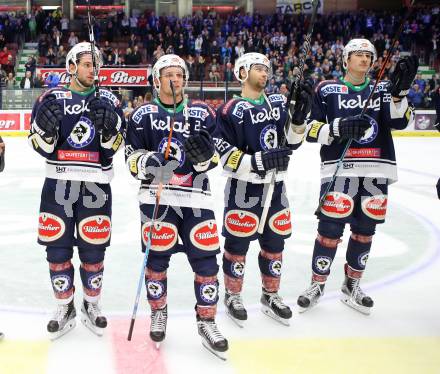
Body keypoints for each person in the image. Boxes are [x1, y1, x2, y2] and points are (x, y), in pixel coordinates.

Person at [298, 39, 417, 315]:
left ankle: (352, 284)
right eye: (358, 54)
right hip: (339, 170)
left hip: (376, 170)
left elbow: (400, 122)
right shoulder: (327, 89)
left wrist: (400, 93)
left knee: (365, 232)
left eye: (368, 55)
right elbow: (310, 130)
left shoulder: (385, 89)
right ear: (345, 59)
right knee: (328, 231)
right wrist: (339, 127)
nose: (364, 59)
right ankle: (316, 284)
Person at [124, 54, 228, 360]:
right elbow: (130, 159)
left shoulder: (202, 112)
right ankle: (158, 312)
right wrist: (146, 162)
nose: (175, 79)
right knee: (156, 260)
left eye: (180, 74)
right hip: (157, 199)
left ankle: (207, 321)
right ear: (156, 80)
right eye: (168, 74)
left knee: (207, 260)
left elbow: (214, 158)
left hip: (195, 198)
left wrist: (204, 156)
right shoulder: (143, 114)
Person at [28, 42, 125, 339]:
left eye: (96, 64)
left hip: (96, 185)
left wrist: (109, 130)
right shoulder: (50, 97)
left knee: (93, 250)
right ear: (71, 67)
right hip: (58, 183)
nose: (92, 69)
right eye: (86, 64)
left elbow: (116, 146)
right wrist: (45, 131)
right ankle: (64, 305)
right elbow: (38, 146)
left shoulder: (110, 99)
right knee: (57, 249)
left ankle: (91, 304)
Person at [213, 52, 311, 326]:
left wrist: (299, 119)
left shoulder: (279, 104)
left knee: (275, 244)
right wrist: (257, 161)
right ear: (242, 72)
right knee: (237, 245)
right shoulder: (230, 109)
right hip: (243, 188)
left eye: (267, 68)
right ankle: (233, 295)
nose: (265, 73)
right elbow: (224, 153)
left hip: (276, 187)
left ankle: (271, 294)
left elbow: (291, 142)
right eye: (258, 68)